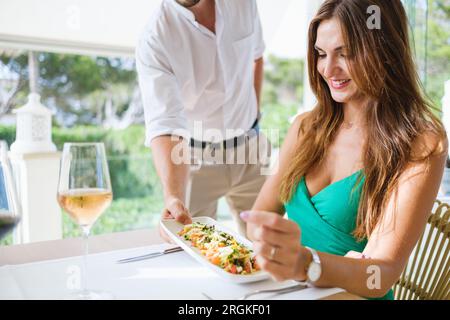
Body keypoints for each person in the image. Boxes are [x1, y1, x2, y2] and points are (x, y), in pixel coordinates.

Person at [241, 0, 448, 300]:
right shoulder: (304, 128)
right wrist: (271, 242)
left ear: (384, 48)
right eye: (321, 54)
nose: (328, 69)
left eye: (346, 54)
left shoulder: (421, 143)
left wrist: (305, 263)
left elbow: (382, 273)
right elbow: (260, 215)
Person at [135, 0, 269, 237]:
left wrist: (254, 115)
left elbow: (256, 57)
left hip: (252, 152)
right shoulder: (155, 38)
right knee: (192, 246)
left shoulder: (244, 3)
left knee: (266, 248)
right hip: (195, 160)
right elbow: (166, 123)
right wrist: (173, 195)